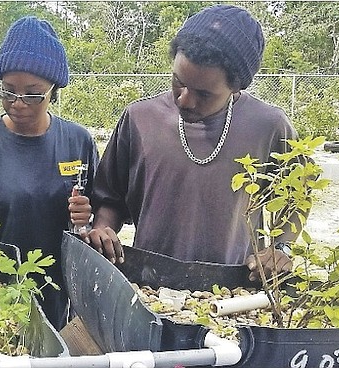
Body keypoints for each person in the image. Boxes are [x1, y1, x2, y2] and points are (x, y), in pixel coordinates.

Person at [87, 5, 300, 281]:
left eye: (203, 93)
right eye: (178, 81)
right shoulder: (139, 119)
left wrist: (280, 246)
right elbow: (110, 197)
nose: (184, 99)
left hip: (233, 291)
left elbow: (296, 196)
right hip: (148, 287)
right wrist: (104, 229)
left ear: (236, 87)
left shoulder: (269, 127)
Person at [0, 16, 99, 329]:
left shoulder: (77, 142)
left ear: (54, 89)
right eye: (7, 91)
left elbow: (93, 219)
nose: (17, 104)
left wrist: (86, 218)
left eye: (33, 94)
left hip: (56, 294)